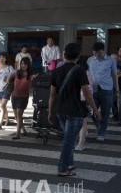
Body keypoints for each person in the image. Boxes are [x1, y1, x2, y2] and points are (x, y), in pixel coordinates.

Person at [48, 43, 100, 176]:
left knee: (69, 139)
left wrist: (50, 111)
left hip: (60, 111)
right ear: (78, 56)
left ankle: (69, 164)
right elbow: (87, 93)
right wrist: (95, 109)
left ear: (64, 54)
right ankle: (62, 168)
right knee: (69, 141)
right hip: (74, 111)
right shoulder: (79, 70)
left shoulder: (56, 71)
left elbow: (52, 94)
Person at [87, 42, 119, 141]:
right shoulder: (90, 60)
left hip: (107, 89)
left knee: (105, 113)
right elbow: (88, 74)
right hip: (93, 90)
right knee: (91, 111)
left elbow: (114, 76)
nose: (97, 55)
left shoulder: (111, 60)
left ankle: (102, 133)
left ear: (103, 50)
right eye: (95, 53)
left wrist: (117, 90)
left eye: (99, 53)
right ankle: (99, 126)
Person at [7, 57, 33, 139]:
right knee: (16, 116)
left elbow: (31, 85)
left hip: (23, 97)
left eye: (25, 64)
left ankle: (18, 133)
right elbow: (8, 79)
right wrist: (9, 80)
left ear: (28, 65)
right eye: (21, 63)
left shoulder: (31, 75)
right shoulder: (16, 72)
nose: (23, 65)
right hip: (14, 96)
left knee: (19, 115)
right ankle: (23, 129)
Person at [75, 59, 95, 151]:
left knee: (81, 123)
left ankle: (80, 143)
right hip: (82, 100)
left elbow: (88, 89)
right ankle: (81, 141)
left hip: (80, 100)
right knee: (81, 123)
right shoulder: (87, 73)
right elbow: (90, 89)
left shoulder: (81, 73)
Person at [0, 52, 14, 129]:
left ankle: (0, 123)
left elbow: (15, 76)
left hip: (7, 89)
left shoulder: (9, 68)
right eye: (0, 57)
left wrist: (9, 79)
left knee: (2, 105)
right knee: (3, 106)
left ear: (6, 59)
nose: (1, 59)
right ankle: (7, 119)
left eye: (3, 57)